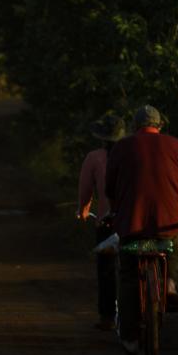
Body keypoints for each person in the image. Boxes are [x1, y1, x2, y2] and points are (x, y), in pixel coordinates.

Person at [105, 105, 178, 355]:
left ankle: (130, 339)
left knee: (127, 276)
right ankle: (168, 284)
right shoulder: (176, 146)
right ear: (159, 126)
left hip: (131, 224)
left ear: (136, 127)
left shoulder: (122, 147)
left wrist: (116, 209)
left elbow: (110, 187)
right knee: (173, 244)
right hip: (166, 224)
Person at [76, 114, 126, 331]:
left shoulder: (94, 158)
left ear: (102, 137)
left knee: (106, 269)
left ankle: (107, 316)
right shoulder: (134, 154)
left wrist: (84, 209)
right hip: (135, 220)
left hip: (108, 222)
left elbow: (86, 189)